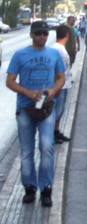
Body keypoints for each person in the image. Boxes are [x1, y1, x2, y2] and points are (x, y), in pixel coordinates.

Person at [6, 21, 65, 207]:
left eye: (45, 33)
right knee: (27, 151)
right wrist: (27, 92)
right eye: (38, 33)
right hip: (25, 108)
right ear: (31, 34)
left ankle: (46, 188)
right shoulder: (20, 54)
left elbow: (61, 78)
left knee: (47, 146)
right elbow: (10, 81)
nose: (42, 36)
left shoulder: (54, 54)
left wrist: (53, 91)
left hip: (47, 108)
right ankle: (29, 187)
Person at [52, 26, 73, 144]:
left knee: (60, 111)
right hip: (61, 86)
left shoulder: (60, 48)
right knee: (57, 111)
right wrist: (57, 86)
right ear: (67, 35)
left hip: (65, 84)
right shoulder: (57, 49)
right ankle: (52, 134)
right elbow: (54, 68)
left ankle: (56, 131)